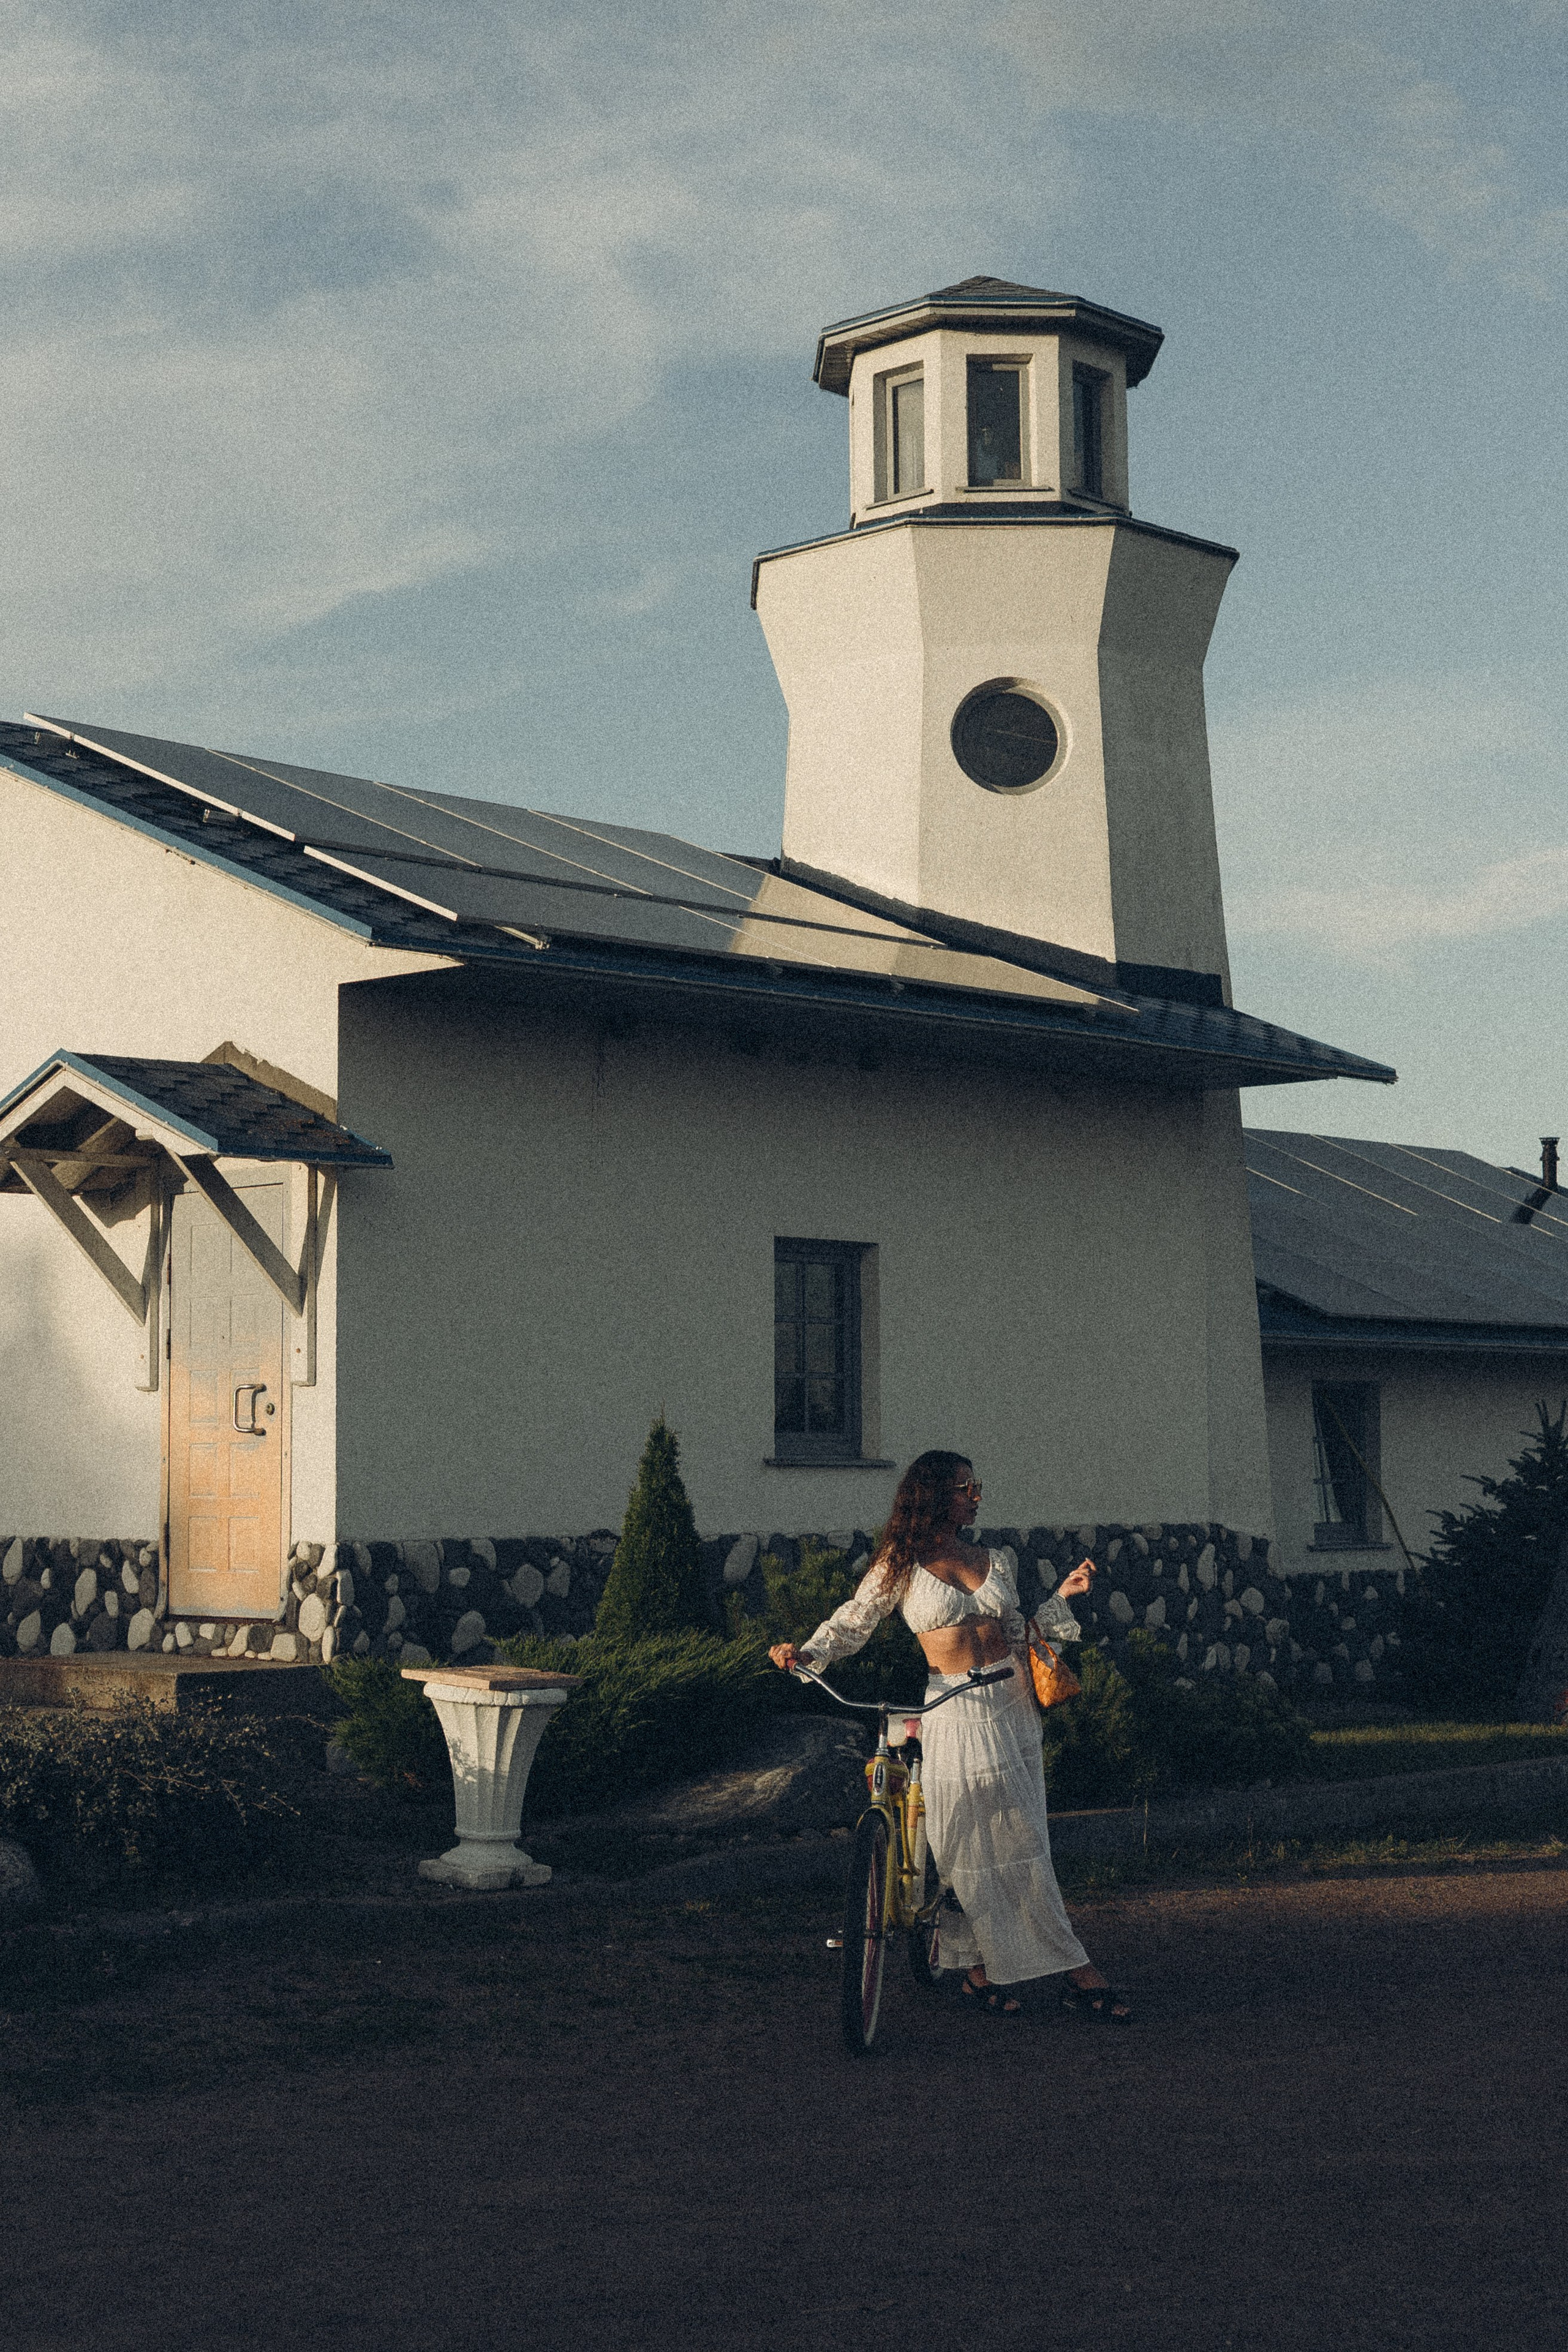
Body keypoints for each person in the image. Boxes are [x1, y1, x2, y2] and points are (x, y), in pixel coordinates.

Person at [769, 1449, 1131, 2021]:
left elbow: (1017, 1632)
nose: (976, 1496)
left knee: (1021, 1839)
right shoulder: (901, 1562)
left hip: (1013, 1705)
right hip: (954, 1708)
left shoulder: (995, 1558)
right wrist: (808, 1653)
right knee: (974, 1844)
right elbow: (855, 1618)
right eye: (967, 1487)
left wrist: (1064, 1597)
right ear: (936, 1494)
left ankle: (992, 1971)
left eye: (977, 1486)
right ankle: (1069, 1967)